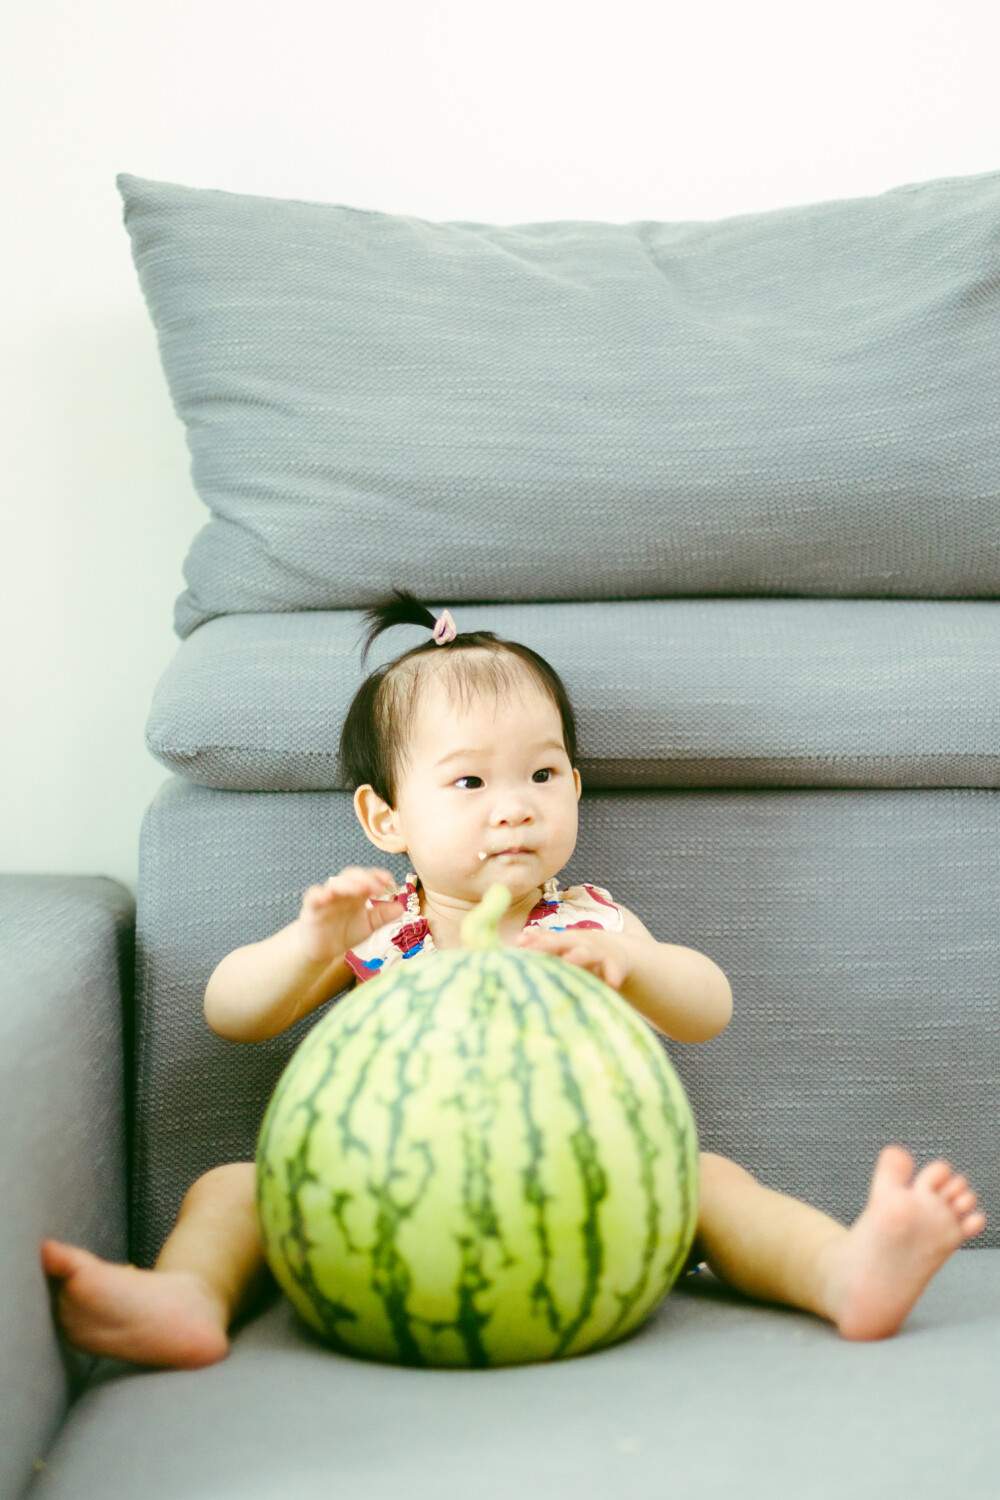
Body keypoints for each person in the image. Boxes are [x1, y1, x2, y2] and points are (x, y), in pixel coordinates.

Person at [40, 589, 987, 1368]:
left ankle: (842, 1272)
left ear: (576, 788)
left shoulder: (585, 925)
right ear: (385, 819)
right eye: (469, 784)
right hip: (375, 1197)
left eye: (541, 774)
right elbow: (230, 1014)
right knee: (231, 1187)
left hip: (584, 1197)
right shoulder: (381, 926)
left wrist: (638, 965)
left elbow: (708, 1008)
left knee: (706, 1178)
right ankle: (187, 1300)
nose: (514, 811)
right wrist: (306, 944)